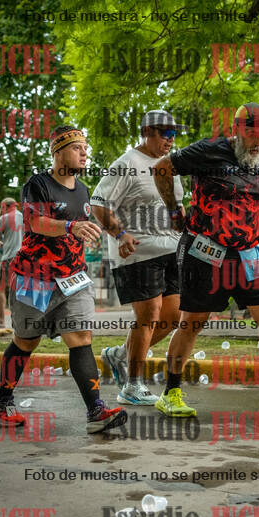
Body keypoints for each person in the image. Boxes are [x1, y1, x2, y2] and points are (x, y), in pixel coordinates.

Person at [152, 102, 259, 421]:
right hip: (205, 249)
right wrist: (175, 210)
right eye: (252, 133)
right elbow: (162, 168)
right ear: (236, 129)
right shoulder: (209, 150)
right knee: (193, 321)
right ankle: (170, 393)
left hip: (248, 251)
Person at [0, 126, 127, 434]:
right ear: (58, 151)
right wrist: (70, 227)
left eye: (85, 147)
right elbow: (35, 221)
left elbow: (80, 229)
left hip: (73, 279)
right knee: (26, 341)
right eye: (77, 147)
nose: (84, 153)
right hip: (34, 279)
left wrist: (92, 233)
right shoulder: (38, 184)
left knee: (81, 338)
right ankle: (2, 399)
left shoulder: (83, 190)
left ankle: (96, 411)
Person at [91, 110, 184, 406]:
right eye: (165, 134)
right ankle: (132, 385)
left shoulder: (170, 165)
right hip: (137, 252)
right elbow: (98, 203)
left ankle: (119, 354)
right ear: (147, 132)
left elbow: (175, 206)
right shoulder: (126, 164)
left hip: (171, 249)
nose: (171, 139)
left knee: (173, 317)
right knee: (149, 314)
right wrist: (120, 234)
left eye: (174, 134)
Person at [0, 198, 23, 327]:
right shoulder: (25, 217)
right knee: (20, 290)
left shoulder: (3, 218)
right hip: (24, 259)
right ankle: (22, 324)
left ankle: (1, 321)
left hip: (9, 258)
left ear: (5, 206)